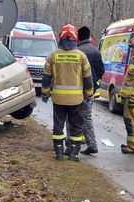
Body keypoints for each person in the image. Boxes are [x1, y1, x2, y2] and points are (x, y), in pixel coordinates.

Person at [42, 24, 93, 161]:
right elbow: (88, 79)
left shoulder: (52, 56)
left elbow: (46, 78)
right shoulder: (81, 56)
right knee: (76, 127)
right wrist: (89, 95)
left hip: (58, 99)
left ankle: (59, 153)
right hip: (77, 100)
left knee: (58, 125)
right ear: (75, 38)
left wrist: (45, 93)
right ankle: (74, 155)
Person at [76, 26, 105, 155]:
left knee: (75, 117)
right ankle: (91, 143)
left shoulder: (78, 51)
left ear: (78, 36)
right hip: (91, 91)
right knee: (87, 117)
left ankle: (75, 143)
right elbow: (101, 71)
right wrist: (94, 82)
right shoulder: (96, 51)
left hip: (78, 91)